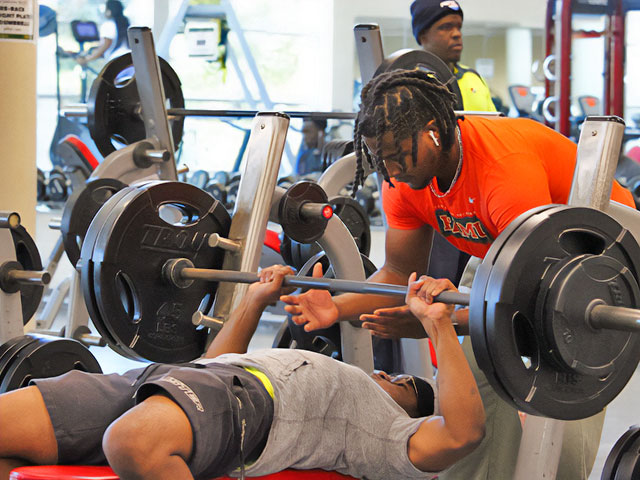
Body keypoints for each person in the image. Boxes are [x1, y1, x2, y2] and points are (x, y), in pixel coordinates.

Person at [281, 69, 635, 480]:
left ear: (433, 131)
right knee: (468, 408)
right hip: (506, 264)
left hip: (594, 267)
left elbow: (535, 301)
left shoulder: (504, 172)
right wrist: (335, 307)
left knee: (557, 437)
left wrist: (433, 323)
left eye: (396, 155)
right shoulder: (404, 180)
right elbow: (398, 272)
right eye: (380, 158)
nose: (390, 171)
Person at [0, 264, 485, 480]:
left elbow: (462, 433)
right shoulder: (340, 372)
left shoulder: (383, 435)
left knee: (131, 443)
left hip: (251, 403)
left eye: (401, 382)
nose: (387, 376)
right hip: (170, 379)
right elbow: (210, 365)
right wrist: (254, 301)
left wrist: (438, 323)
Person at [410, 0, 498, 287]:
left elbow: (495, 130)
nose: (456, 34)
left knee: (479, 280)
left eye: (458, 27)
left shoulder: (472, 78)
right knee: (439, 283)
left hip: (482, 193)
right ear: (423, 35)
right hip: (440, 197)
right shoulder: (412, 80)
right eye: (445, 27)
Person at [75, 0, 130, 67]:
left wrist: (87, 59)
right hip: (130, 60)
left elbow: (105, 46)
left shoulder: (108, 24)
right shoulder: (126, 23)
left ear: (109, 11)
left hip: (116, 63)